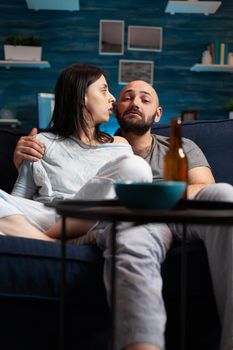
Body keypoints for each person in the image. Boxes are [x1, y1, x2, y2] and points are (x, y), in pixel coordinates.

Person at [12, 80, 233, 350]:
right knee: (129, 236)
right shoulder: (100, 149)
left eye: (145, 98)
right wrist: (24, 161)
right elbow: (77, 188)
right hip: (135, 218)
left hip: (180, 210)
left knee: (225, 195)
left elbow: (204, 187)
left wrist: (153, 194)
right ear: (116, 109)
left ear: (158, 113)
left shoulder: (181, 145)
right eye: (127, 97)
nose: (135, 103)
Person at [0, 64, 152, 243]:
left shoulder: (119, 145)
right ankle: (54, 243)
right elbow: (19, 198)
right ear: (81, 97)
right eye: (104, 91)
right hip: (47, 216)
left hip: (96, 218)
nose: (112, 99)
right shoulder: (41, 141)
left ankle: (46, 240)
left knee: (136, 166)